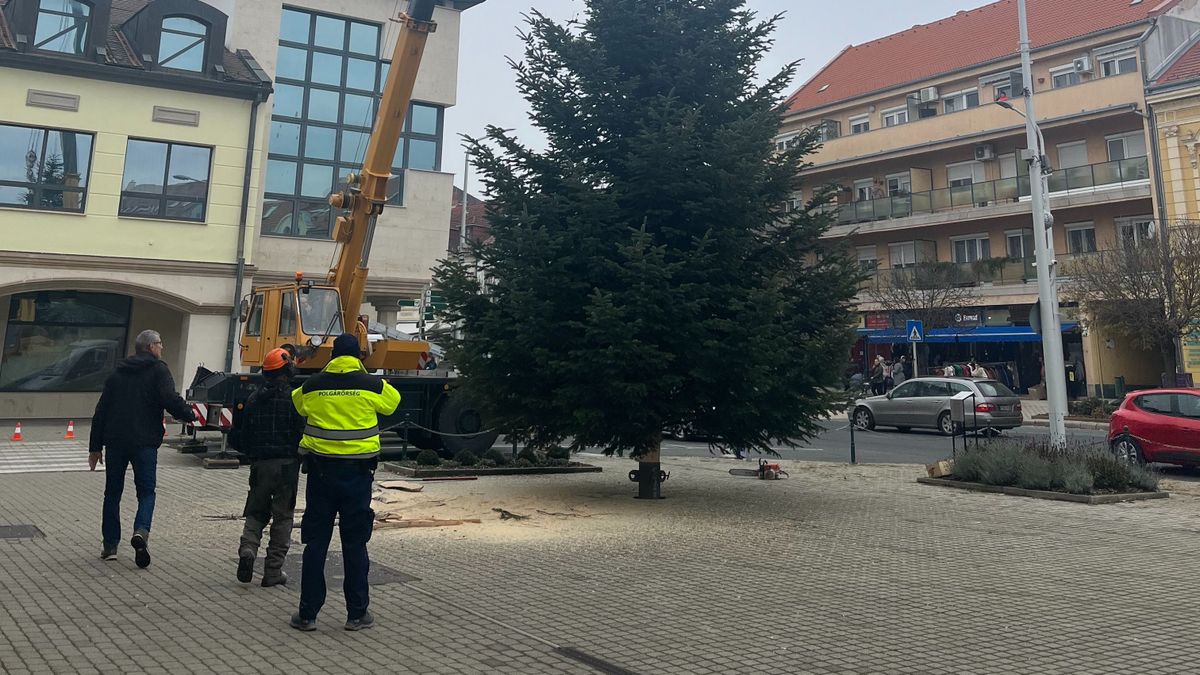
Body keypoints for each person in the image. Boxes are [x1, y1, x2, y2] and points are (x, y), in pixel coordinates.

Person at [289, 333, 400, 632]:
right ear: (358, 356)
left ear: (332, 356)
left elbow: (297, 404)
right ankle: (356, 614)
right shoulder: (373, 385)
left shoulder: (311, 386)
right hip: (358, 476)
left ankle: (308, 614)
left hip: (321, 475)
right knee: (354, 544)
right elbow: (393, 404)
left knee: (316, 544)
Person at [88, 329, 198, 567]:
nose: (162, 348)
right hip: (145, 443)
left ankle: (110, 545)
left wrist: (95, 447)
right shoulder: (158, 371)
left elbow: (101, 411)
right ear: (150, 347)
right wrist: (190, 415)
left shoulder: (117, 373)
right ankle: (141, 531)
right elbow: (170, 399)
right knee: (146, 492)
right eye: (159, 344)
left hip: (115, 442)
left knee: (112, 493)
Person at [229, 348, 305, 587]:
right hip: (287, 466)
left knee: (255, 512)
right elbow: (302, 432)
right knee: (283, 518)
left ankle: (248, 549)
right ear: (287, 371)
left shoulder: (253, 399)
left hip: (260, 465)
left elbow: (241, 436)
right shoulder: (295, 399)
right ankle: (273, 571)